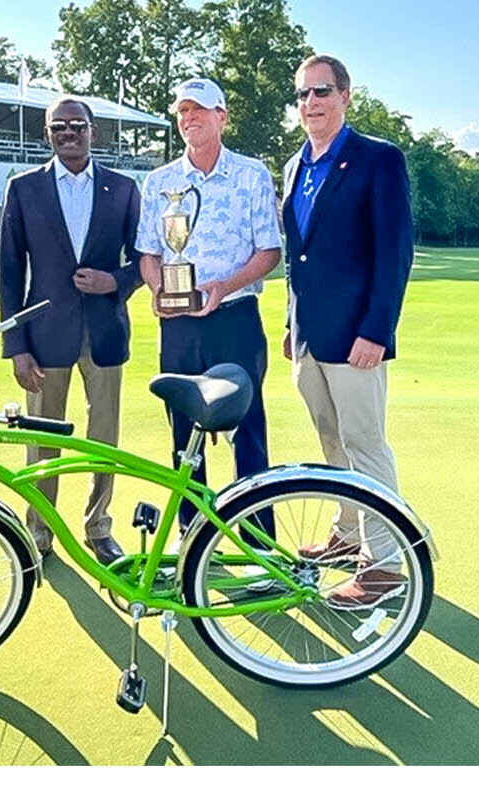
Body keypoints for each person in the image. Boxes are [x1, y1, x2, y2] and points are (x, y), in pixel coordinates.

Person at [281, 54, 415, 608]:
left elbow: (394, 252)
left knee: (365, 444)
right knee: (332, 441)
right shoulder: (294, 166)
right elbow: (299, 256)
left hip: (358, 336)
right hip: (310, 336)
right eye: (303, 94)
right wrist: (291, 321)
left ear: (345, 96)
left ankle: (384, 565)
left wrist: (377, 330)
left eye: (322, 91)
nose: (311, 103)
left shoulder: (378, 159)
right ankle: (348, 532)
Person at [0, 99, 143, 564]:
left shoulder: (123, 188)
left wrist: (114, 282)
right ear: (47, 134)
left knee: (104, 439)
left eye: (77, 125)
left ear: (92, 131)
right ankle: (39, 532)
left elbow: (143, 259)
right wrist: (16, 346)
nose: (68, 133)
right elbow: (8, 272)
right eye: (58, 126)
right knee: (42, 442)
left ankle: (99, 527)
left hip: (105, 334)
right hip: (43, 337)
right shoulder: (23, 189)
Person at [137, 79, 282, 538]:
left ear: (222, 116)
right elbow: (149, 253)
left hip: (235, 318)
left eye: (198, 109)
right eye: (182, 111)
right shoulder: (159, 182)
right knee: (184, 435)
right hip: (178, 325)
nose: (189, 118)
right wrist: (159, 290)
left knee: (249, 431)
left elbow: (269, 252)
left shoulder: (251, 174)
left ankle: (259, 541)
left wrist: (224, 286)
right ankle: (194, 537)